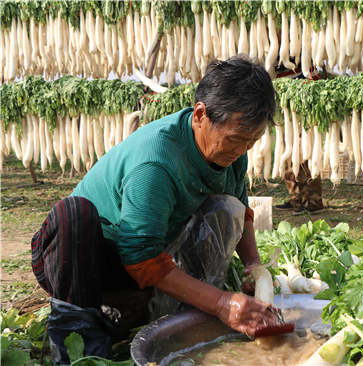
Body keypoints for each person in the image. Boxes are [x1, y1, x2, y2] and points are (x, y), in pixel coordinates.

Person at [31, 55, 279, 364]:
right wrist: (219, 303)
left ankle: (179, 314)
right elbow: (140, 256)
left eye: (251, 141)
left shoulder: (232, 154)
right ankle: (79, 339)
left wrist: (254, 265)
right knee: (73, 214)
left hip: (143, 259)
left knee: (224, 208)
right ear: (201, 114)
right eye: (236, 139)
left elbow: (240, 212)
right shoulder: (158, 160)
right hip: (80, 262)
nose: (242, 151)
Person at [273, 58, 326, 215]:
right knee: (288, 153)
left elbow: (314, 77)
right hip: (286, 104)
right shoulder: (276, 51)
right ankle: (296, 199)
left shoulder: (302, 48)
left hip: (304, 102)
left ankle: (314, 202)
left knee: (305, 153)